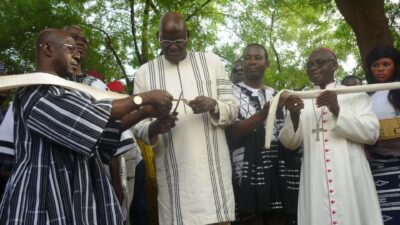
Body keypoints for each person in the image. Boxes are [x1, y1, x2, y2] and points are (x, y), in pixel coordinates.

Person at [0, 28, 173, 225]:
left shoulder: (70, 92)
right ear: (47, 48)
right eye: (70, 48)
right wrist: (143, 98)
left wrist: (146, 112)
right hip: (42, 205)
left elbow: (101, 131)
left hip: (77, 200)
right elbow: (88, 118)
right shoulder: (35, 91)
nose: (77, 54)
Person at [133, 12, 238, 225]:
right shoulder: (144, 73)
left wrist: (214, 105)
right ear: (158, 38)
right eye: (166, 41)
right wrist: (155, 127)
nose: (172, 46)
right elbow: (137, 124)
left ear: (188, 36)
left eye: (178, 40)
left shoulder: (212, 62)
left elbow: (233, 108)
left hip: (213, 177)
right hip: (174, 179)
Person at [278, 47, 383, 225]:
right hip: (315, 179)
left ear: (334, 66)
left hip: (350, 175)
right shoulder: (301, 98)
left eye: (320, 62)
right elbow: (290, 143)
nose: (313, 68)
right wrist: (294, 116)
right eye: (309, 64)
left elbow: (372, 133)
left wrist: (337, 109)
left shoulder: (354, 94)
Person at [225, 44, 299, 225]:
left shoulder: (278, 95)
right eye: (248, 58)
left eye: (257, 58)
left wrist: (295, 113)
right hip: (246, 172)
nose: (252, 61)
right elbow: (231, 133)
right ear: (242, 63)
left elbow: (290, 138)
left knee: (280, 219)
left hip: (278, 169)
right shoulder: (229, 95)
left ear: (267, 64)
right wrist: (264, 114)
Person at [365, 45, 400, 225]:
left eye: (386, 64)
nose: (380, 69)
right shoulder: (363, 94)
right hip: (378, 165)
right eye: (375, 65)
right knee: (382, 214)